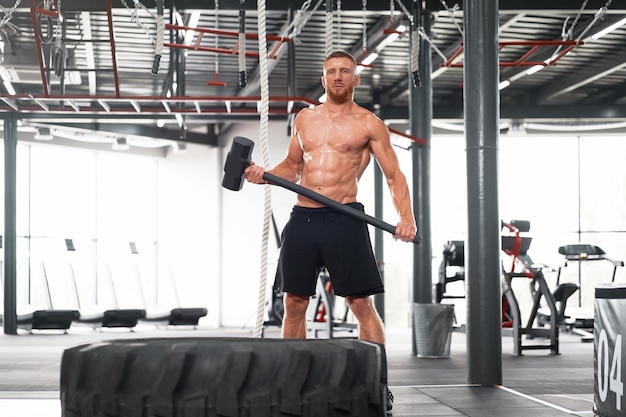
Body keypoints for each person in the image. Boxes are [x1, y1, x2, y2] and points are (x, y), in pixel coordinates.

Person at [244, 50, 417, 411]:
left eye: (345, 72)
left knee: (360, 304)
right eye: (331, 72)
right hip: (303, 218)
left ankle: (376, 383)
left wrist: (407, 217)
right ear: (323, 80)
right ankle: (294, 384)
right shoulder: (305, 119)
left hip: (344, 218)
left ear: (356, 79)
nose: (338, 77)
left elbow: (394, 175)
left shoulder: (370, 124)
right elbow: (292, 166)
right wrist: (265, 176)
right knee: (294, 302)